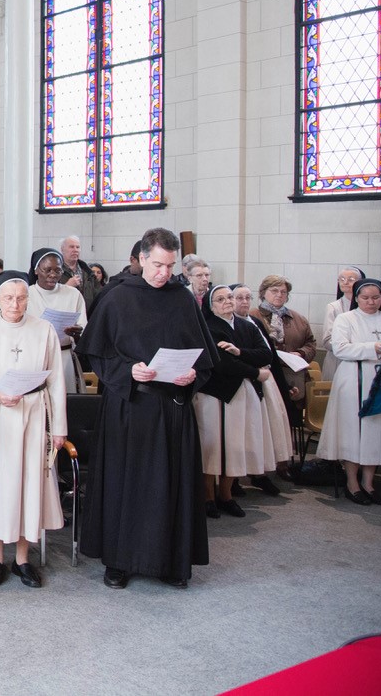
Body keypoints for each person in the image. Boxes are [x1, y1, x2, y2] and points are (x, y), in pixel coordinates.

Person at [76, 227, 216, 590]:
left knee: (170, 486)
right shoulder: (116, 297)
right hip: (130, 408)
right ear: (140, 259)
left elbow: (205, 358)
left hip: (172, 410)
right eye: (157, 264)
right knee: (126, 484)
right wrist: (129, 371)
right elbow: (96, 352)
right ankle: (119, 561)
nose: (163, 273)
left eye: (170, 266)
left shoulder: (183, 300)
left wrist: (192, 375)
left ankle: (171, 562)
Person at [0, 270, 67, 588]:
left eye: (22, 297)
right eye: (8, 298)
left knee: (29, 485)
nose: (15, 303)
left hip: (37, 416)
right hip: (1, 419)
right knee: (1, 485)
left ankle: (22, 558)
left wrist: (59, 427)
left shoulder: (45, 330)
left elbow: (56, 381)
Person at [317, 279, 381, 505]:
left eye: (376, 297)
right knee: (353, 432)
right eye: (365, 298)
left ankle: (368, 482)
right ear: (356, 297)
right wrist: (372, 348)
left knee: (377, 432)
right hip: (353, 380)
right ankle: (352, 483)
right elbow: (340, 348)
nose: (371, 302)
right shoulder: (345, 319)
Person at [194, 285, 271, 519]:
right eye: (220, 299)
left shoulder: (248, 326)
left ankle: (226, 495)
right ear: (210, 304)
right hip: (213, 393)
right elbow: (220, 363)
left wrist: (239, 352)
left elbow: (266, 354)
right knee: (213, 446)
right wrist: (255, 373)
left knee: (236, 446)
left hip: (240, 392)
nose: (227, 301)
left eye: (229, 297)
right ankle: (207, 497)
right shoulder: (207, 327)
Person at [229, 284, 293, 494]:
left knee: (262, 430)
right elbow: (233, 357)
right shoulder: (227, 325)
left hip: (265, 379)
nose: (244, 302)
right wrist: (251, 360)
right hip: (244, 381)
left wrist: (248, 355)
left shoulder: (254, 322)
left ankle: (260, 473)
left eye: (248, 297)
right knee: (242, 432)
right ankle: (235, 479)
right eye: (239, 298)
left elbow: (267, 354)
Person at [26, 249, 88, 393]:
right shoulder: (27, 294)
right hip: (36, 359)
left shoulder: (73, 294)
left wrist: (77, 333)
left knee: (67, 405)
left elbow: (84, 328)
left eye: (58, 270)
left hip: (64, 357)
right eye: (47, 270)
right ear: (36, 270)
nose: (53, 275)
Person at [251, 274, 316, 408]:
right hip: (266, 374)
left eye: (283, 292)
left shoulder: (298, 319)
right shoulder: (253, 316)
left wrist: (301, 353)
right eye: (274, 291)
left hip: (292, 374)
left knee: (291, 419)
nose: (279, 295)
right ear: (263, 293)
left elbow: (311, 343)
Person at [321, 267, 365, 379]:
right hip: (337, 361)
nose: (345, 282)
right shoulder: (333, 307)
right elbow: (327, 340)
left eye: (351, 279)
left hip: (362, 360)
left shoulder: (367, 306)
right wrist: (350, 349)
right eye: (342, 279)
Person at [60, 235, 101, 312]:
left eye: (78, 247)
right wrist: (66, 287)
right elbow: (50, 296)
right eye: (71, 247)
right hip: (64, 316)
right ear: (62, 249)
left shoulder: (88, 272)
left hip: (86, 318)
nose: (75, 250)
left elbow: (99, 296)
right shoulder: (55, 272)